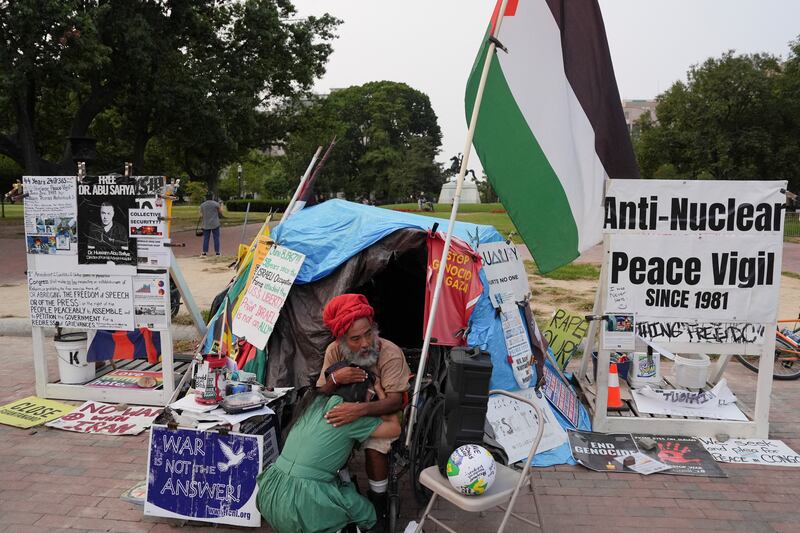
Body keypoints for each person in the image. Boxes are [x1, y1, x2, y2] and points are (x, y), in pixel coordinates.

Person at [257, 362, 401, 533]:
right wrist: (378, 389)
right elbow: (395, 427)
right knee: (368, 513)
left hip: (270, 494)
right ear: (361, 392)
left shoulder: (311, 402)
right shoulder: (348, 415)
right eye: (369, 393)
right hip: (302, 504)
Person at [316, 294, 410, 531]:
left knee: (375, 448)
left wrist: (357, 411)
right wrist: (335, 378)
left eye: (368, 333)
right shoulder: (334, 352)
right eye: (356, 338)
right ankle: (347, 492)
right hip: (349, 410)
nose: (366, 343)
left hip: (382, 413)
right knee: (327, 440)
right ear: (341, 341)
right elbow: (321, 395)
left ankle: (378, 500)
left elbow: (394, 403)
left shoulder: (389, 353)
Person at [199, 192, 223, 256]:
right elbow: (221, 211)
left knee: (206, 238)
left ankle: (205, 252)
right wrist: (221, 204)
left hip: (206, 223)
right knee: (216, 238)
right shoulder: (216, 204)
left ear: (205, 197)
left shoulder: (202, 205)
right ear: (212, 197)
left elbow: (201, 215)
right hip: (215, 223)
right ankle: (217, 252)